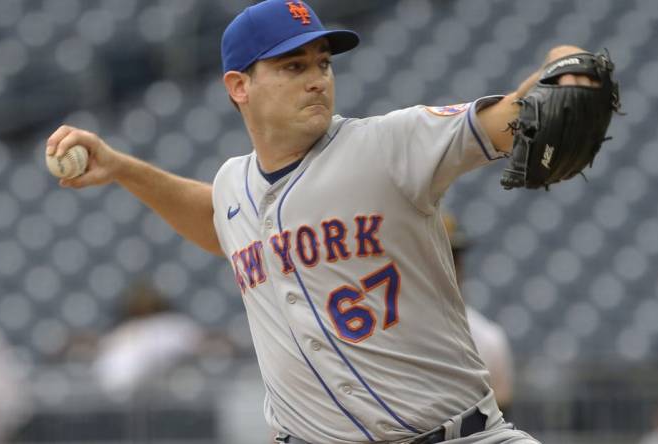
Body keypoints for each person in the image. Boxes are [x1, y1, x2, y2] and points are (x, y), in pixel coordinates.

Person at [45, 1, 601, 442]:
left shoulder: (387, 143)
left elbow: (516, 117)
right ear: (239, 86)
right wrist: (121, 168)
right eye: (293, 66)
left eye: (323, 63)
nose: (317, 78)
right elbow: (219, 221)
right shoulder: (234, 185)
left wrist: (568, 60)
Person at [443, 213, 515, 411]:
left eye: (453, 258)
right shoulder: (387, 329)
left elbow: (500, 412)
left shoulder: (488, 338)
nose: (445, 267)